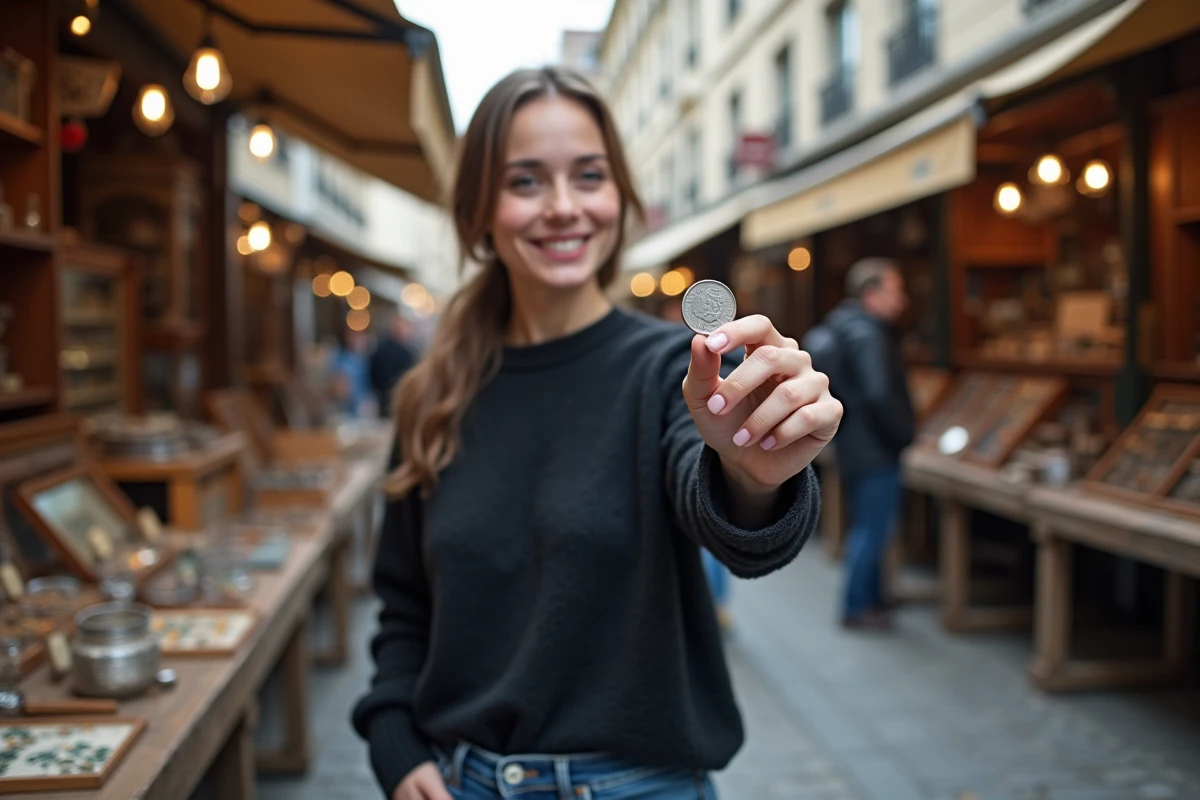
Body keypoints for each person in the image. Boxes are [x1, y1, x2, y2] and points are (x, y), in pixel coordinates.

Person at [351, 66, 841, 800]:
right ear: (479, 208)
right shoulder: (431, 395)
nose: (562, 207)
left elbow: (721, 508)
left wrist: (755, 474)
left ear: (619, 198)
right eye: (525, 182)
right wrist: (393, 741)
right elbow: (403, 602)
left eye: (588, 176)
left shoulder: (666, 374)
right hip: (460, 783)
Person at [820, 258, 914, 630]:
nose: (902, 300)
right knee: (872, 528)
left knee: (869, 525)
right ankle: (857, 606)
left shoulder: (847, 328)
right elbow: (878, 394)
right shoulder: (869, 334)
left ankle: (872, 598)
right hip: (874, 447)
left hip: (855, 444)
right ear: (871, 294)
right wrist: (902, 434)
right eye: (895, 291)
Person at [369, 311, 418, 417]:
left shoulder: (380, 348)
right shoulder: (406, 352)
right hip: (400, 398)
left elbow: (372, 373)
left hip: (382, 398)